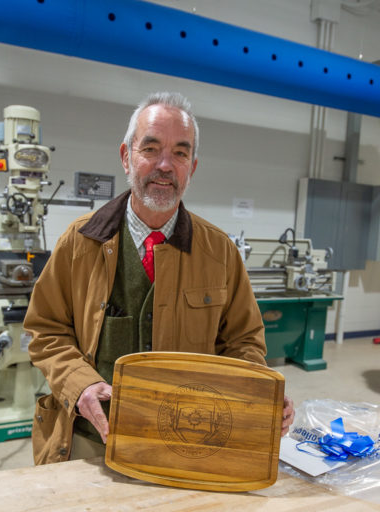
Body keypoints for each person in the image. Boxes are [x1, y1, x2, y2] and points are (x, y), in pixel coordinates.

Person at [24, 91, 294, 465]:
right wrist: (78, 383)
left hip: (187, 444)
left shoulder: (221, 253)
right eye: (151, 148)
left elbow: (244, 342)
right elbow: (45, 330)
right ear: (126, 156)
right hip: (88, 442)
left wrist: (258, 393)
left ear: (192, 168)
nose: (165, 165)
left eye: (180, 153)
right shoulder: (79, 242)